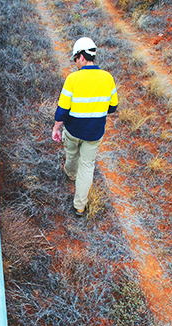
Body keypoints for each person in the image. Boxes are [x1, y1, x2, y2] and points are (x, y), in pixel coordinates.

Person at [51, 37, 118, 217]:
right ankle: (80, 206)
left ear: (81, 57)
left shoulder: (73, 79)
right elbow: (113, 107)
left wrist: (57, 128)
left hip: (73, 130)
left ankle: (71, 174)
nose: (75, 63)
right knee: (87, 166)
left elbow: (63, 109)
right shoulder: (107, 78)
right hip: (94, 132)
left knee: (72, 154)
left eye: (75, 59)